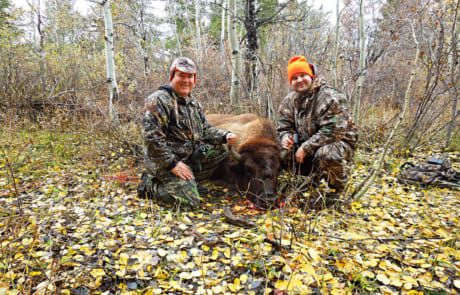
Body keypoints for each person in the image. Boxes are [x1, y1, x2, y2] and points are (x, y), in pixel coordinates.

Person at [137, 57, 237, 209]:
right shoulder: (158, 100)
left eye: (190, 76)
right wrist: (173, 164)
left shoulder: (194, 104)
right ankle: (150, 185)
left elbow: (204, 130)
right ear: (172, 77)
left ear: (194, 80)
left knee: (221, 152)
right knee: (189, 203)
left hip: (188, 157)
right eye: (181, 75)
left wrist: (225, 136)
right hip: (163, 162)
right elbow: (152, 139)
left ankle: (189, 180)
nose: (186, 80)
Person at [277, 55, 357, 204]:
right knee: (279, 152)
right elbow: (284, 126)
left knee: (327, 154)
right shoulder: (289, 101)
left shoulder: (330, 96)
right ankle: (311, 179)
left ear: (311, 75)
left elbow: (335, 130)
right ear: (290, 82)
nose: (299, 80)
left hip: (338, 144)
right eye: (294, 78)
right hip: (307, 144)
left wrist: (306, 148)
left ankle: (335, 190)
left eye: (302, 75)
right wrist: (286, 137)